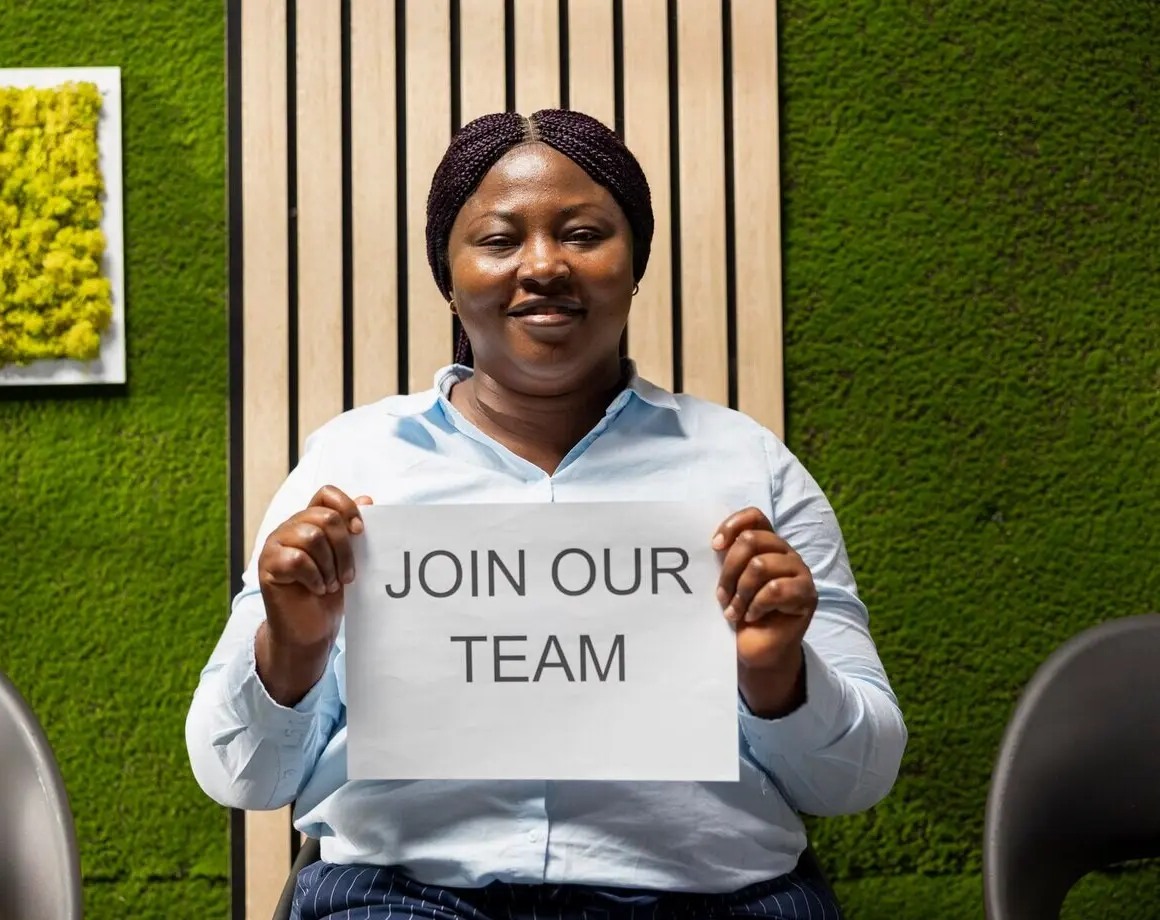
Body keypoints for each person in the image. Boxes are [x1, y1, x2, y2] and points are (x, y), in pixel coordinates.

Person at [186, 109, 906, 920]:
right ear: (447, 275)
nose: (543, 266)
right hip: (404, 896)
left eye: (584, 233)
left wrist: (778, 677)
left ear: (634, 262)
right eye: (498, 240)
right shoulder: (348, 466)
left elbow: (855, 781)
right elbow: (239, 775)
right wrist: (294, 646)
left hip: (714, 898)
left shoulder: (749, 468)